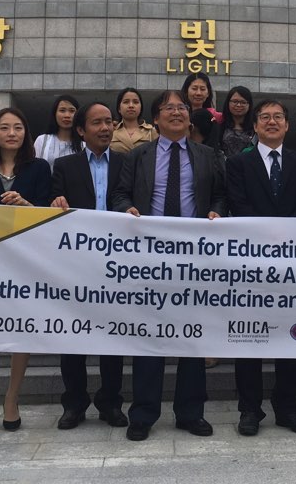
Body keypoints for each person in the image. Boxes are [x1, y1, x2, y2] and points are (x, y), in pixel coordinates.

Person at [113, 90, 228, 441]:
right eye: (169, 108)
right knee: (149, 337)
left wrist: (217, 212)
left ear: (189, 117)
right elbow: (120, 193)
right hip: (150, 258)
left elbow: (220, 195)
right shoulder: (139, 155)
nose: (177, 112)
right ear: (156, 118)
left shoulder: (207, 154)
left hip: (195, 258)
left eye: (182, 108)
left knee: (192, 338)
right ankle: (143, 414)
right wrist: (126, 210)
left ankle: (190, 413)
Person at [226, 100, 296, 437]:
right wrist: (268, 231)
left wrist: (285, 231)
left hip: (292, 263)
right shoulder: (239, 162)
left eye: (278, 117)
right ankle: (250, 410)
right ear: (255, 126)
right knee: (249, 337)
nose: (272, 121)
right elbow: (238, 203)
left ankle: (287, 408)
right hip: (252, 263)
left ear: (287, 125)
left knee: (291, 336)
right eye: (265, 117)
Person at [0, 108, 52, 432]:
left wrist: (26, 205)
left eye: (18, 127)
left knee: (21, 326)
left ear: (26, 133)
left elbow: (47, 212)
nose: (12, 133)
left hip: (25, 259)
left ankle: (11, 398)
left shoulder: (40, 168)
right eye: (4, 128)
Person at [50, 102, 129, 431]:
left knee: (113, 336)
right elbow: (53, 206)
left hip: (117, 264)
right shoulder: (64, 166)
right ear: (81, 130)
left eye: (109, 122)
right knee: (73, 335)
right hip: (77, 265)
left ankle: (111, 402)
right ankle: (74, 402)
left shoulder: (126, 162)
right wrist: (55, 203)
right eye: (97, 123)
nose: (105, 128)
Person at [33, 94, 82, 169]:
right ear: (55, 114)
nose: (67, 115)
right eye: (62, 110)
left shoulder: (84, 144)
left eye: (72, 111)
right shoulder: (42, 140)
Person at [111, 87, 157, 154]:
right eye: (126, 102)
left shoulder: (152, 132)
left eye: (135, 102)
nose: (131, 106)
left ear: (141, 108)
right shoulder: (111, 131)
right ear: (119, 109)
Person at [219, 85, 256, 158]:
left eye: (243, 102)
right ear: (228, 103)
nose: (238, 105)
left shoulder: (256, 128)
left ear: (249, 105)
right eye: (235, 101)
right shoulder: (220, 126)